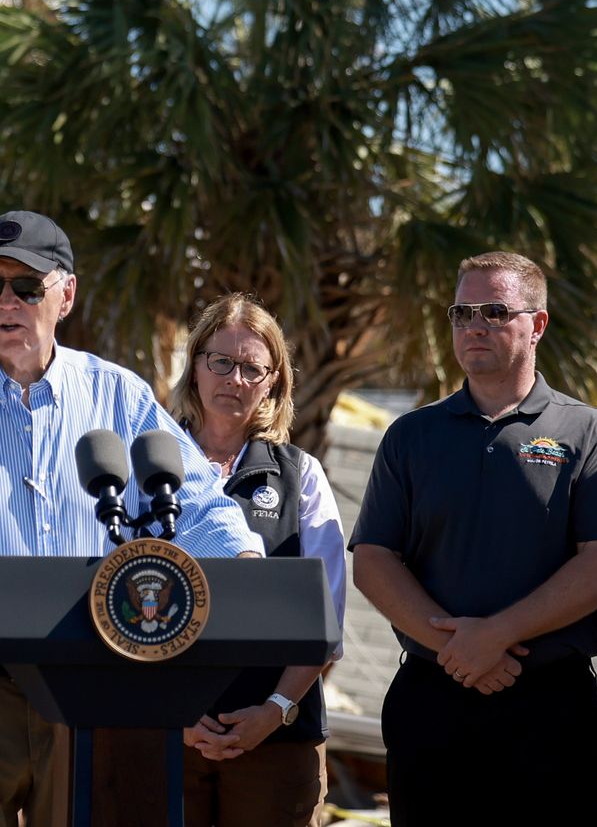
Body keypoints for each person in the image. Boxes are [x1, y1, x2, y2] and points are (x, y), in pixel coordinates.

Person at [0, 210, 264, 827]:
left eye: (27, 286)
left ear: (65, 295)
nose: (6, 302)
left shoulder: (119, 395)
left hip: (94, 679)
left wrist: (245, 565)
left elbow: (196, 504)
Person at [349, 251, 597, 825]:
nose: (474, 325)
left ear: (538, 324)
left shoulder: (588, 432)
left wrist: (498, 636)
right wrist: (456, 649)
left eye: (495, 310)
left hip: (550, 706)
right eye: (462, 312)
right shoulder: (411, 436)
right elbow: (374, 559)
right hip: (431, 698)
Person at [166, 295, 345, 826]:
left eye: (252, 368)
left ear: (274, 382)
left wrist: (275, 710)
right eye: (221, 361)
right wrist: (170, 713)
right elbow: (112, 602)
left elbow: (325, 619)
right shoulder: (147, 467)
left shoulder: (300, 475)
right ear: (195, 365)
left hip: (278, 740)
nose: (235, 379)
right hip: (161, 735)